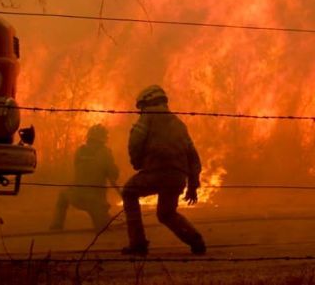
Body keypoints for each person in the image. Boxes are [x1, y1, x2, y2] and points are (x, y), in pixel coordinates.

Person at [120, 85, 206, 255]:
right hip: (177, 177)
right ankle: (196, 240)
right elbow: (193, 156)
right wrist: (192, 184)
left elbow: (135, 142)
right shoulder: (178, 123)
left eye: (141, 107)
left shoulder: (148, 116)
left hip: (155, 172)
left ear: (147, 102)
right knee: (166, 213)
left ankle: (138, 244)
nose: (141, 111)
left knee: (129, 192)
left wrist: (137, 163)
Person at [49, 124, 119, 233]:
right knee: (104, 230)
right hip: (96, 203)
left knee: (62, 195)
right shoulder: (105, 152)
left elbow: (79, 172)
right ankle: (104, 220)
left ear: (89, 137)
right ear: (104, 139)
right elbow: (113, 175)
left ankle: (56, 225)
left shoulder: (80, 151)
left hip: (77, 197)